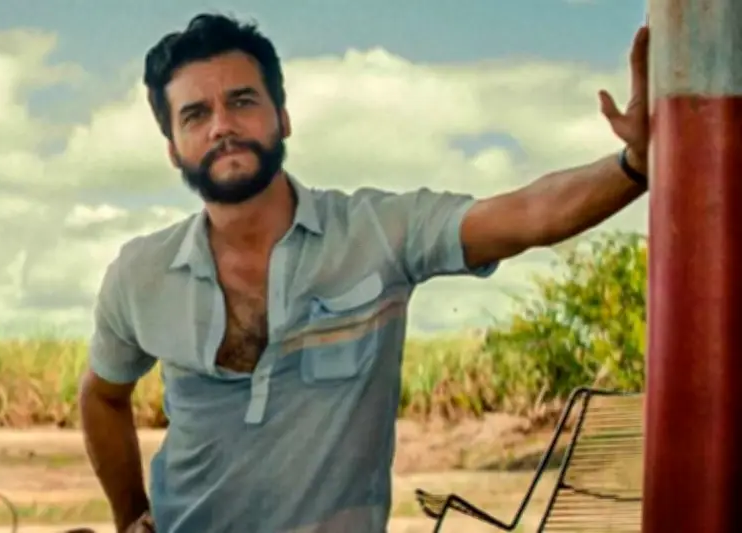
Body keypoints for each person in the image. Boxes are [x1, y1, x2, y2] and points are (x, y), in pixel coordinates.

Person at [77, 12, 650, 533]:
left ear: (283, 117)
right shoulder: (140, 273)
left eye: (243, 100)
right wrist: (130, 516)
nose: (222, 125)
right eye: (195, 114)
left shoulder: (378, 234)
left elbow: (529, 214)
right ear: (173, 148)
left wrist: (635, 165)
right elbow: (102, 397)